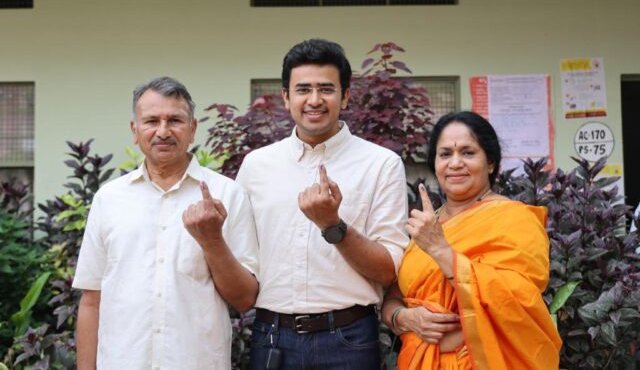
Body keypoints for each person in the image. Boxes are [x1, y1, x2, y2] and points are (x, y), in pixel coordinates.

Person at [236, 39, 409, 369]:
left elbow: (389, 270)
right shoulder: (256, 166)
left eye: (326, 89)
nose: (314, 100)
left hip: (348, 338)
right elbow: (242, 259)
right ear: (286, 97)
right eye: (303, 89)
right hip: (271, 337)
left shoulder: (381, 164)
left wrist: (334, 226)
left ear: (345, 96)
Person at [73, 77, 259, 369]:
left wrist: (212, 240)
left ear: (192, 129)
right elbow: (91, 300)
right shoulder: (108, 199)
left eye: (175, 120)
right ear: (135, 131)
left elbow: (245, 298)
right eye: (151, 121)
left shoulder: (227, 195)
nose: (163, 131)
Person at [381, 111, 562, 369]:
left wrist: (441, 250)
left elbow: (518, 303)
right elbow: (394, 297)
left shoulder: (514, 218)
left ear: (490, 162)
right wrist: (404, 318)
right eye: (445, 154)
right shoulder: (428, 224)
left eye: (467, 152)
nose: (455, 163)